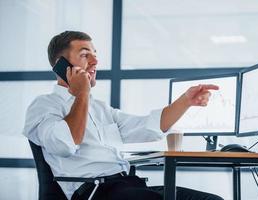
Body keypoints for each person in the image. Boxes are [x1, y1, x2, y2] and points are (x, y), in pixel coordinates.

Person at [23, 31, 223, 200]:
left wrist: (186, 101)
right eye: (85, 55)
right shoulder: (44, 105)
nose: (95, 61)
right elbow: (65, 144)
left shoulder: (100, 108)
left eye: (95, 54)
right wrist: (81, 93)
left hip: (126, 185)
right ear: (62, 65)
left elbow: (146, 126)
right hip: (94, 191)